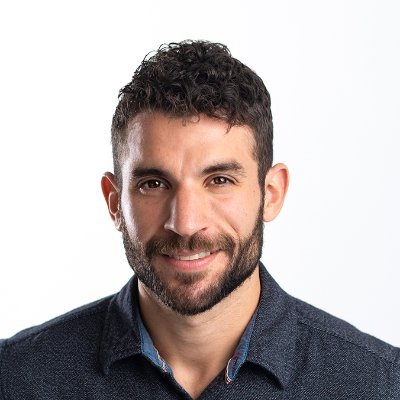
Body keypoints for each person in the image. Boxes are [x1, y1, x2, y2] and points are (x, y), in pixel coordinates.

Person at [0, 40, 399, 400]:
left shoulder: (381, 385)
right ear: (114, 202)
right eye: (154, 184)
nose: (186, 223)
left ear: (271, 194)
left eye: (219, 180)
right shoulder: (16, 379)